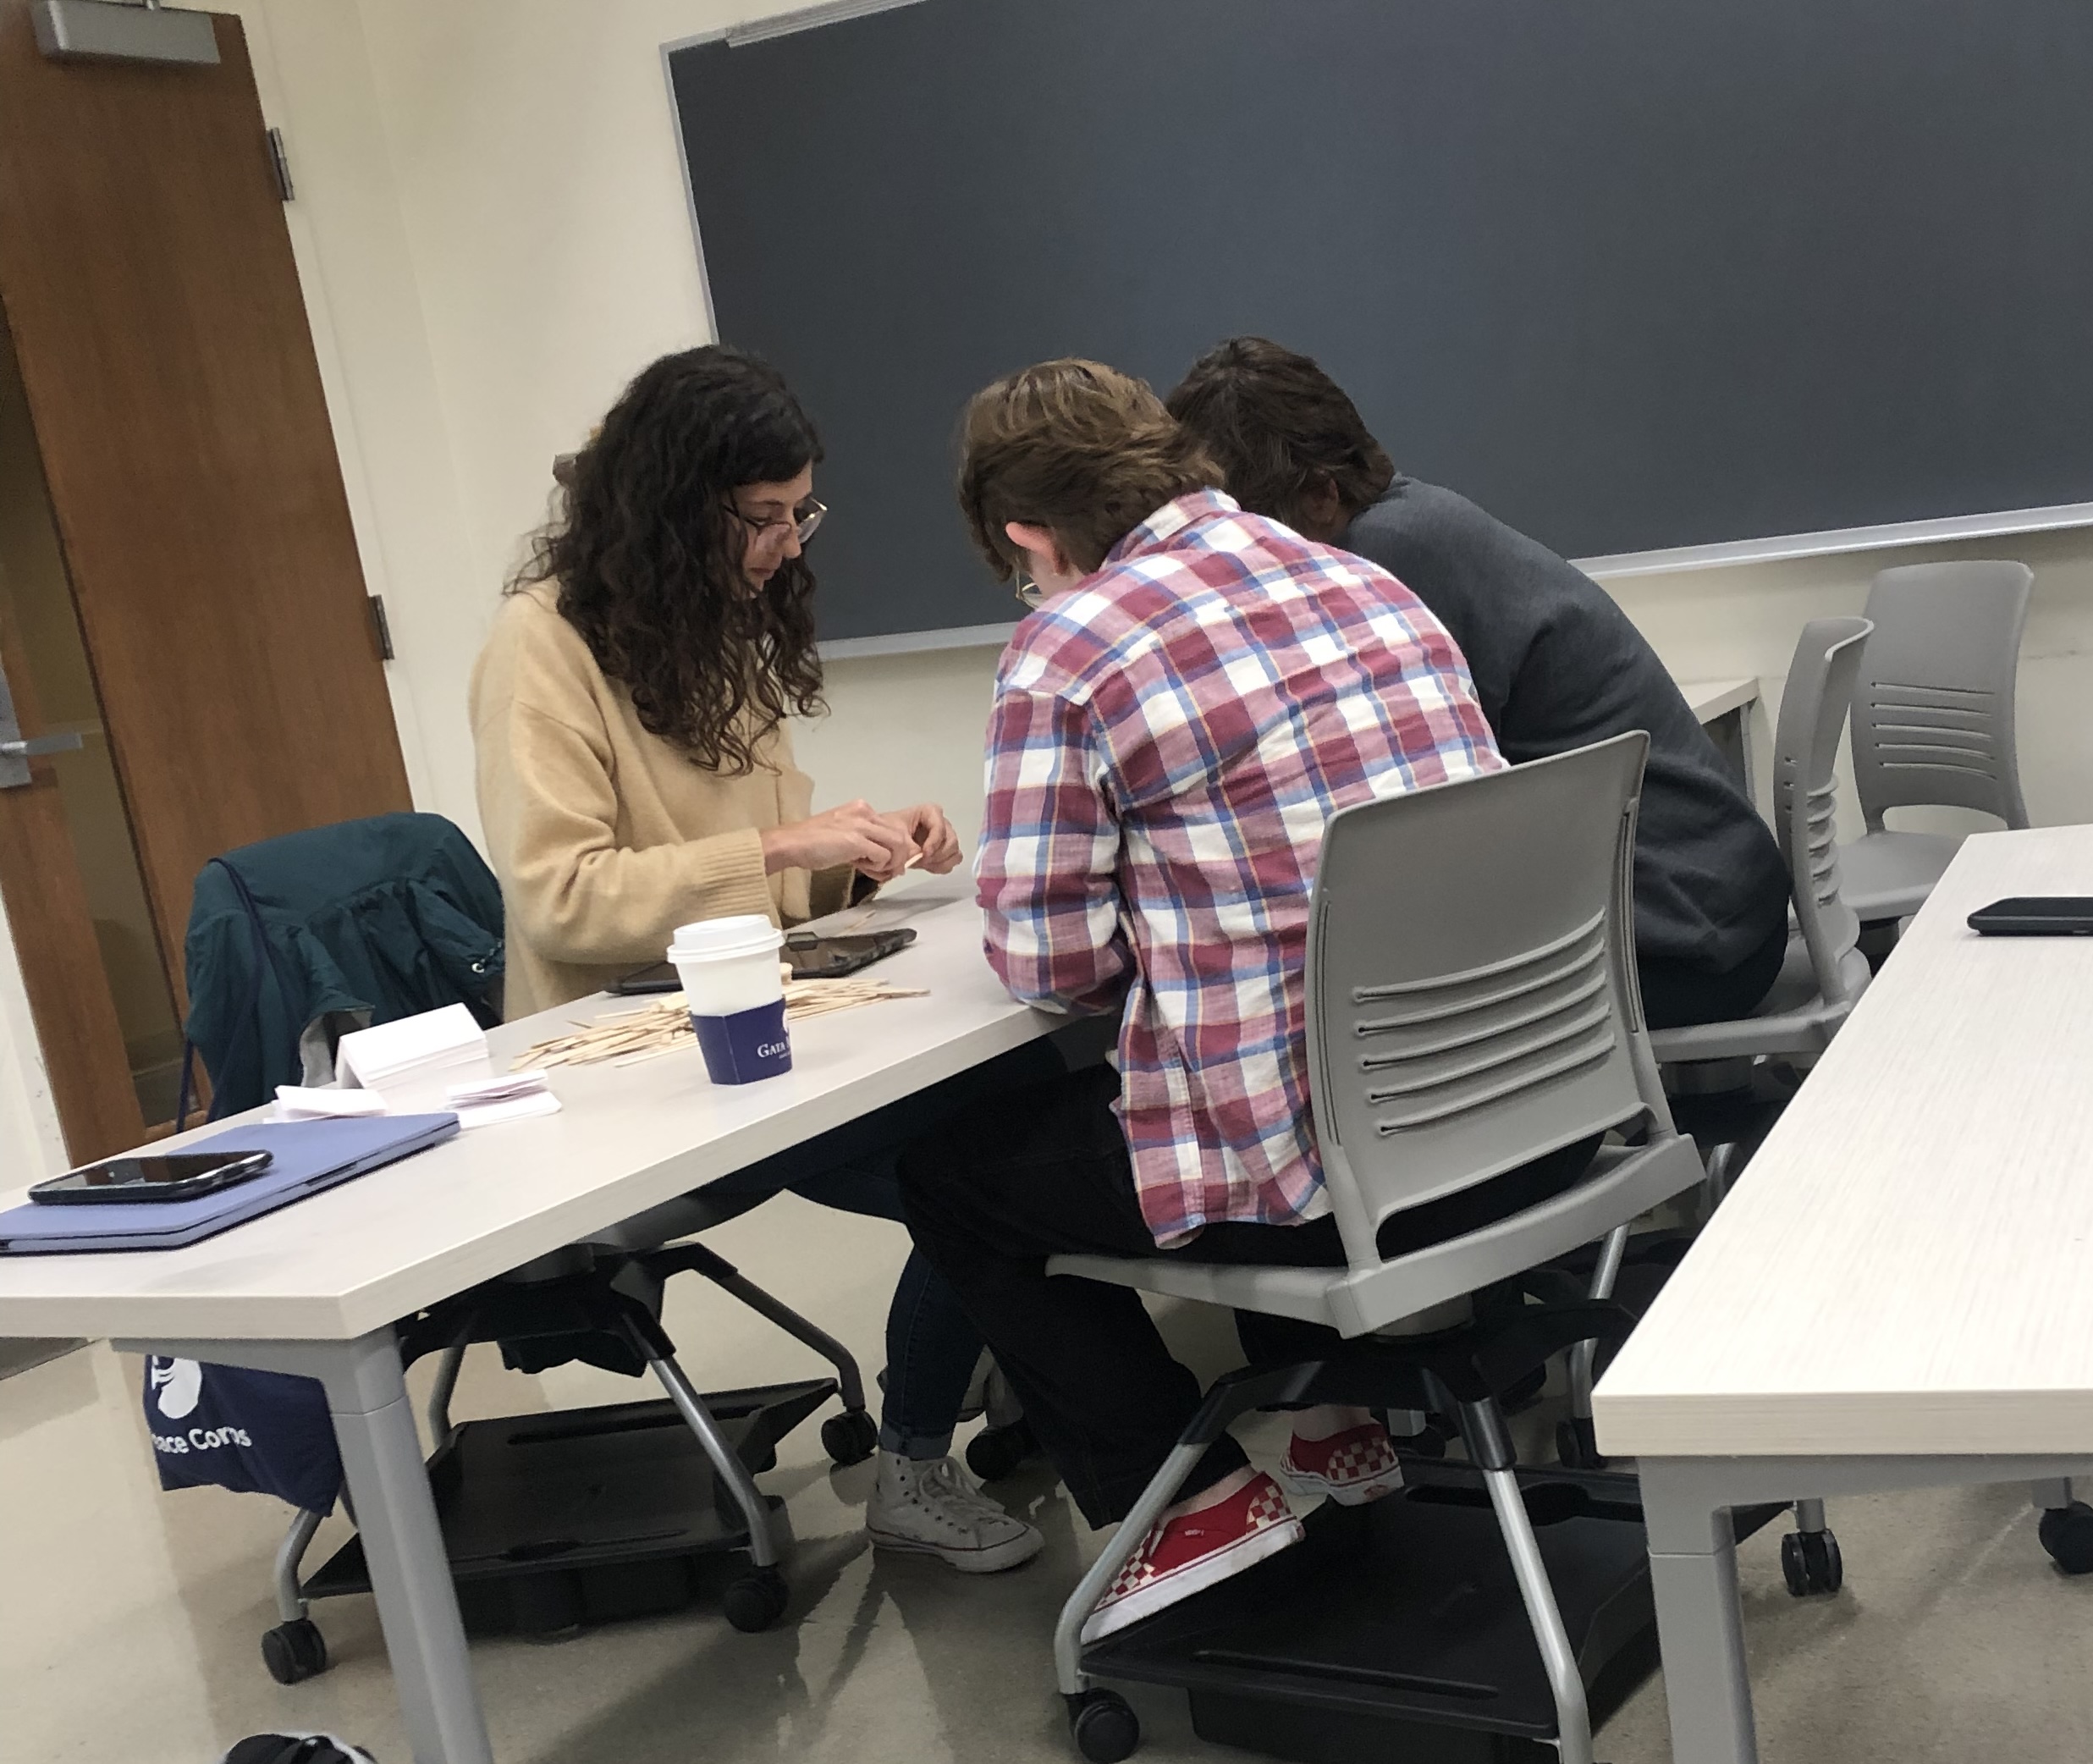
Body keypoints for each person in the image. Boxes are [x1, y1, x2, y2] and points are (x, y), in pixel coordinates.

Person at [896, 359, 1576, 1642]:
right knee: (1237, 1065)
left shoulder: (1070, 646)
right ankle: (1325, 1426)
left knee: (953, 1171)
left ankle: (1185, 1499)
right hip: (1526, 1118)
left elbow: (1051, 971)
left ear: (1026, 533)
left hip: (1351, 1183)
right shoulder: (1359, 575)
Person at [470, 344, 1044, 1573]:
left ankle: (1014, 1372)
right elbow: (565, 900)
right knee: (981, 1174)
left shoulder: (713, 625)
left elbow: (758, 877)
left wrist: (861, 854)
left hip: (756, 1027)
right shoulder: (543, 646)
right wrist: (789, 839)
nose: (789, 545)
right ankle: (914, 1463)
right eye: (763, 518)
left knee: (1027, 1107)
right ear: (677, 509)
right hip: (626, 1074)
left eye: (800, 514)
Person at [1166, 337, 1792, 1031]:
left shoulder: (1386, 562)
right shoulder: (1416, 519)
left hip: (1681, 948)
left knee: (1336, 1017)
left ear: (1320, 494)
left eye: (1245, 524)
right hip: (1716, 910)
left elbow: (1387, 801)